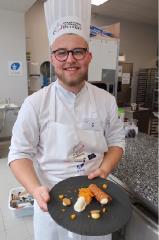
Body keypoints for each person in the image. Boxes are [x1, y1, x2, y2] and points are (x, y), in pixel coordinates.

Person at [8, 1, 125, 240]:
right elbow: (18, 154)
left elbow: (117, 143)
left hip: (95, 199)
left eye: (78, 51)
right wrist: (35, 188)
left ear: (89, 56)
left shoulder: (106, 101)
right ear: (52, 58)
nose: (70, 59)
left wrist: (104, 169)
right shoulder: (35, 104)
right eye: (61, 52)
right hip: (51, 201)